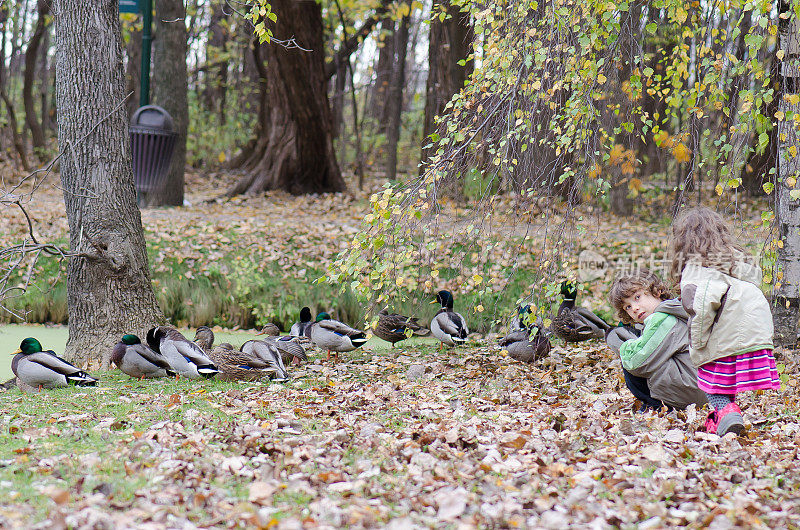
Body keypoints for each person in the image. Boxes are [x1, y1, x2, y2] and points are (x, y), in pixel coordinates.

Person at [670, 207, 780, 436]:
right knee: (723, 376)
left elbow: (700, 310)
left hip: (732, 324)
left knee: (709, 375)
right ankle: (723, 418)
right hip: (756, 323)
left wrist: (697, 347)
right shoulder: (734, 260)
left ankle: (726, 411)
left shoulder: (695, 271)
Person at [606, 270, 708, 412]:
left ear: (656, 292)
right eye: (627, 307)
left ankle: (654, 404)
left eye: (637, 297)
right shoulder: (675, 309)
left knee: (631, 358)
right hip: (705, 386)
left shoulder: (661, 318)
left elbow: (637, 362)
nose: (634, 308)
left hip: (690, 390)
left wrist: (623, 347)